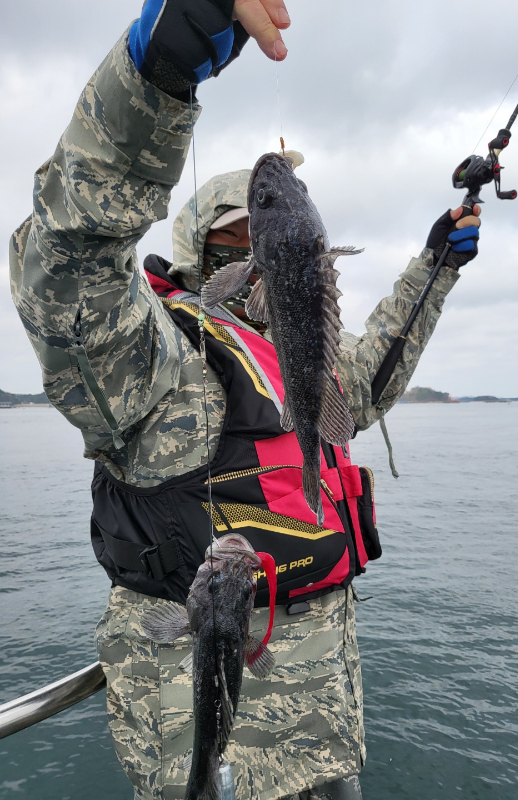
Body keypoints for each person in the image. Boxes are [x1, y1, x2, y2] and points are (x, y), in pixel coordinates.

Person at [9, 1, 481, 799]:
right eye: (233, 239)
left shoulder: (295, 357)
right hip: (211, 753)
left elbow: (367, 379)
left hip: (322, 734)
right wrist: (153, 80)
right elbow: (67, 264)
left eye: (260, 239)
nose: (253, 257)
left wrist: (436, 265)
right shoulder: (150, 357)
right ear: (204, 251)